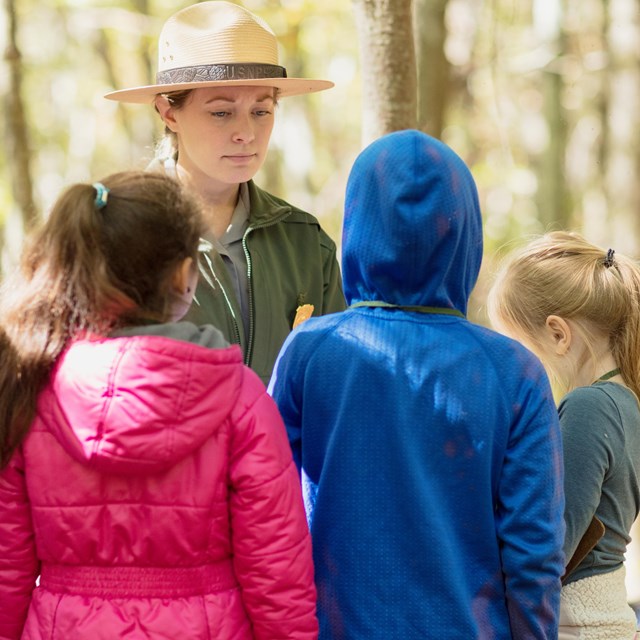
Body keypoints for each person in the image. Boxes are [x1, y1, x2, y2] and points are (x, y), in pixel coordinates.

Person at [268, 129, 565, 639]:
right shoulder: (514, 372)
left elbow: (268, 513)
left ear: (356, 227)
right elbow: (533, 553)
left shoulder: (310, 352)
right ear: (466, 232)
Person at [0, 171, 318, 639]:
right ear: (185, 276)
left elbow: (7, 569)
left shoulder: (33, 387)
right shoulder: (242, 401)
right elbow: (277, 577)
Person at [105, 0, 346, 385]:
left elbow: (332, 386)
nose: (246, 133)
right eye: (221, 112)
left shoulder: (305, 242)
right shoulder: (119, 235)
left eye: (261, 111)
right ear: (168, 112)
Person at [488, 231, 640, 640]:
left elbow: (549, 546)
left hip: (580, 625)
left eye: (516, 347)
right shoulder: (625, 402)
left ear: (557, 334)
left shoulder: (590, 407)